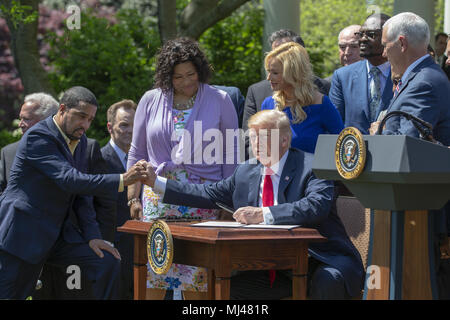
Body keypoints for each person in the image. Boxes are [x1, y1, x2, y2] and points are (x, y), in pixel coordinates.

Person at [142, 109, 365, 300]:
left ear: (284, 140)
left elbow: (316, 206)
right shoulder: (246, 171)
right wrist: (156, 182)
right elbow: (206, 193)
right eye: (253, 138)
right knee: (225, 288)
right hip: (273, 268)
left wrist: (264, 214)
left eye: (264, 137)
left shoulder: (312, 166)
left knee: (328, 281)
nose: (256, 144)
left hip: (318, 259)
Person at [0, 86, 148, 299]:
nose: (85, 125)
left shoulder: (81, 141)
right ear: (62, 109)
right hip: (21, 236)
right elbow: (70, 180)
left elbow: (81, 197)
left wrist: (93, 237)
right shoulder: (37, 136)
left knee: (106, 261)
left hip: (58, 237)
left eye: (90, 119)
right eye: (81, 116)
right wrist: (123, 179)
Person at [127, 37, 239, 299]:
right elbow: (137, 151)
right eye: (178, 77)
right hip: (157, 199)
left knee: (197, 284)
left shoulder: (220, 99)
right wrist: (132, 196)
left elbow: (231, 154)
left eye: (191, 74)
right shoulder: (150, 100)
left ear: (200, 69)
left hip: (202, 200)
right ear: (167, 76)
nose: (186, 81)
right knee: (153, 279)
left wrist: (229, 203)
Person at [380, 12, 450, 300]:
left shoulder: (425, 82)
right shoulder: (421, 77)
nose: (383, 52)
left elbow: (406, 146)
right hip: (414, 206)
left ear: (402, 43)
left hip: (425, 210)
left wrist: (379, 130)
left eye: (385, 45)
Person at [243, 29, 331, 158]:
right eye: (275, 52)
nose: (278, 57)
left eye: (285, 53)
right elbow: (249, 140)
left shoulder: (322, 93)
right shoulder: (260, 95)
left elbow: (338, 139)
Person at [261, 42, 344, 154]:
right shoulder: (268, 104)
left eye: (275, 73)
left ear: (292, 73)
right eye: (269, 72)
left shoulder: (321, 104)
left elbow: (343, 142)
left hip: (311, 171)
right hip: (276, 171)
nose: (268, 78)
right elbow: (261, 149)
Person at [329, 13, 394, 134]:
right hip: (352, 150)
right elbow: (334, 126)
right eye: (361, 34)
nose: (363, 39)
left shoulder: (404, 74)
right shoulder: (342, 77)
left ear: (387, 38)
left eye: (371, 35)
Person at [101, 99, 137, 300]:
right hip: (113, 252)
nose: (130, 130)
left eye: (135, 124)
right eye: (124, 124)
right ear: (110, 127)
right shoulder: (97, 160)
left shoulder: (149, 161)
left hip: (145, 250)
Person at [0, 93, 59, 193]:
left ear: (48, 122)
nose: (20, 124)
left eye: (26, 119)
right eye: (20, 118)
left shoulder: (67, 150)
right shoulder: (8, 152)